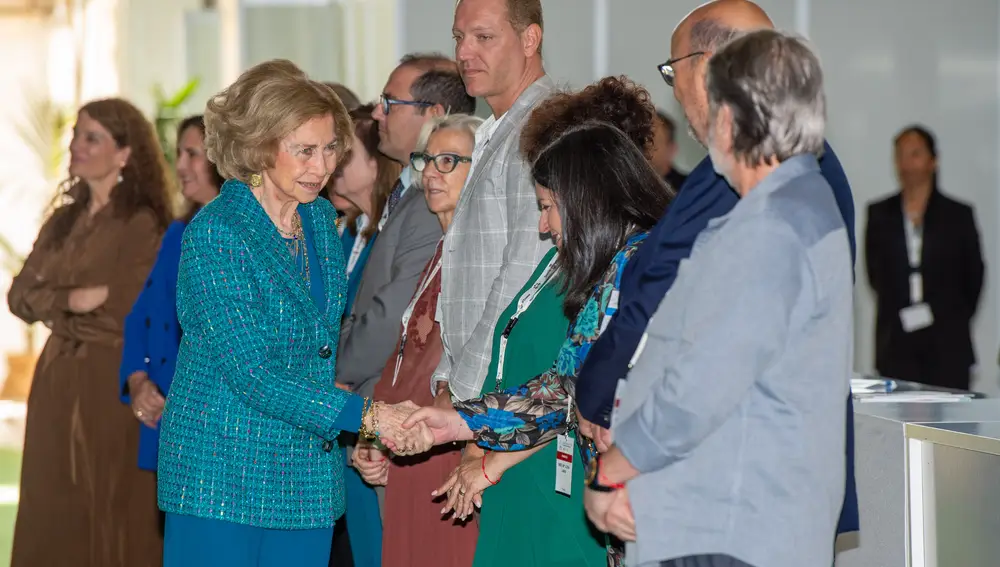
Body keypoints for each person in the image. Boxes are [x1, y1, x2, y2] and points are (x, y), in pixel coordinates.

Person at [571, 0, 860, 539]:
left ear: (711, 72)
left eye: (672, 71)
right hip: (738, 485)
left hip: (733, 490)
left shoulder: (767, 201)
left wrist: (614, 453)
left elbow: (693, 344)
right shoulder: (794, 183)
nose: (676, 93)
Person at [388, 77, 672, 567]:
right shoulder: (619, 265)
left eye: (547, 208)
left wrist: (464, 428)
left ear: (586, 198)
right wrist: (456, 423)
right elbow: (559, 390)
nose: (543, 226)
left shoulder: (643, 267)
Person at [155, 59, 428, 567]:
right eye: (305, 151)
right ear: (259, 147)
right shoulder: (218, 233)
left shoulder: (320, 220)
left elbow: (319, 350)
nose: (322, 167)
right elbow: (253, 372)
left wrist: (358, 428)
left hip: (305, 480)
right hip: (223, 477)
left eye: (330, 149)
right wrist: (366, 418)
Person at [7, 97, 173, 567]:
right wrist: (71, 298)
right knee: (51, 505)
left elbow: (123, 309)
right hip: (56, 381)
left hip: (109, 383)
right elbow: (19, 296)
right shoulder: (63, 222)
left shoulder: (142, 223)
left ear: (124, 153)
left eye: (91, 137)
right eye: (76, 135)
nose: (75, 146)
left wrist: (54, 300)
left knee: (112, 506)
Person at [335, 56, 475, 567]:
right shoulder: (436, 239)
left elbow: (412, 342)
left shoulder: (467, 255)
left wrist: (373, 417)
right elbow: (403, 349)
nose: (432, 175)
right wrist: (374, 429)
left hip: (431, 434)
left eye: (450, 163)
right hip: (395, 427)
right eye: (428, 162)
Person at [434, 0, 557, 406]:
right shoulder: (497, 127)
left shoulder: (543, 128)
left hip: (507, 389)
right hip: (483, 383)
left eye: (483, 37)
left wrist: (464, 393)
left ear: (530, 39)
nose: (464, 53)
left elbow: (521, 276)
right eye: (459, 37)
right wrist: (446, 376)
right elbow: (467, 274)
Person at [120, 115, 224, 474]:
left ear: (221, 159)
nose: (180, 165)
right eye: (178, 153)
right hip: (166, 415)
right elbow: (139, 318)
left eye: (192, 154)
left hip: (215, 428)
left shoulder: (240, 235)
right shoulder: (178, 233)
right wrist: (138, 381)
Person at [865, 125, 983, 391]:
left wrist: (949, 315)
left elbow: (973, 276)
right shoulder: (880, 214)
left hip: (947, 343)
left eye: (915, 154)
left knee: (947, 426)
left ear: (933, 160)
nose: (907, 164)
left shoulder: (958, 215)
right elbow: (875, 275)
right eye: (901, 155)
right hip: (895, 342)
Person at [331, 103, 401, 316]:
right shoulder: (348, 230)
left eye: (346, 152)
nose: (333, 161)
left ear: (376, 163)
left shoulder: (394, 232)